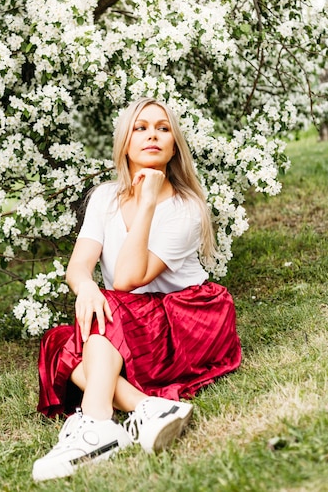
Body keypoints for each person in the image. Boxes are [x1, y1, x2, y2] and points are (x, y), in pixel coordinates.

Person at [32, 97, 242, 481]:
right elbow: (79, 266)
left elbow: (129, 277)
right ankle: (147, 407)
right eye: (141, 127)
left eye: (163, 129)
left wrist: (146, 201)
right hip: (129, 320)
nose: (152, 135)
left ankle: (96, 425)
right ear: (125, 142)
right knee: (58, 343)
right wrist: (86, 289)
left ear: (174, 145)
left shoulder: (186, 207)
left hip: (187, 320)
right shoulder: (105, 198)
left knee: (104, 313)